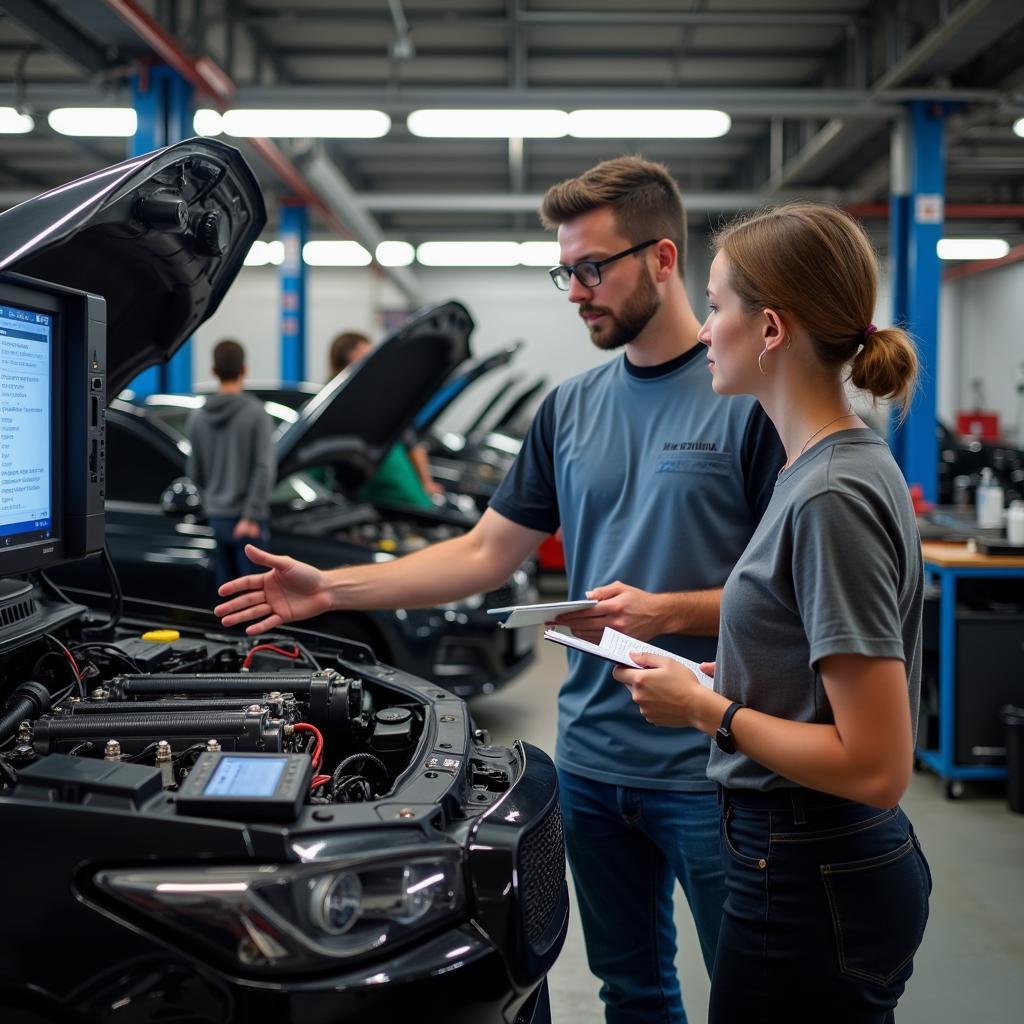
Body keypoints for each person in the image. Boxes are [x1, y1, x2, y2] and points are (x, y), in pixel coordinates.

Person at [215, 156, 785, 1023]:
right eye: (565, 271)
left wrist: (671, 611)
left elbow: (788, 596)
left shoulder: (749, 401)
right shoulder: (569, 409)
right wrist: (330, 589)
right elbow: (482, 552)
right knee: (631, 990)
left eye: (592, 268)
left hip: (717, 764)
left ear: (665, 260)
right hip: (592, 761)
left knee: (753, 999)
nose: (575, 291)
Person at [613, 203, 931, 1023]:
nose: (705, 328)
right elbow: (816, 662)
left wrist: (710, 710)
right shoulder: (820, 469)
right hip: (802, 857)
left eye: (716, 305)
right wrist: (743, 676)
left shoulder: (830, 494)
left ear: (772, 329)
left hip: (809, 867)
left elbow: (875, 763)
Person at [186, 338, 274, 592]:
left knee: (227, 598)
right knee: (256, 598)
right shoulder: (257, 414)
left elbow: (195, 472)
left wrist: (212, 501)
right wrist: (251, 515)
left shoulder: (197, 418)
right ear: (244, 370)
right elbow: (264, 467)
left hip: (217, 518)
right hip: (248, 521)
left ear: (214, 370)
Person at [327, 329, 443, 509]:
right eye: (364, 359)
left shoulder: (382, 403)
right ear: (345, 363)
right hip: (360, 500)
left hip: (398, 498)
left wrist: (427, 484)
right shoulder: (328, 407)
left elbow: (413, 446)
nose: (372, 364)